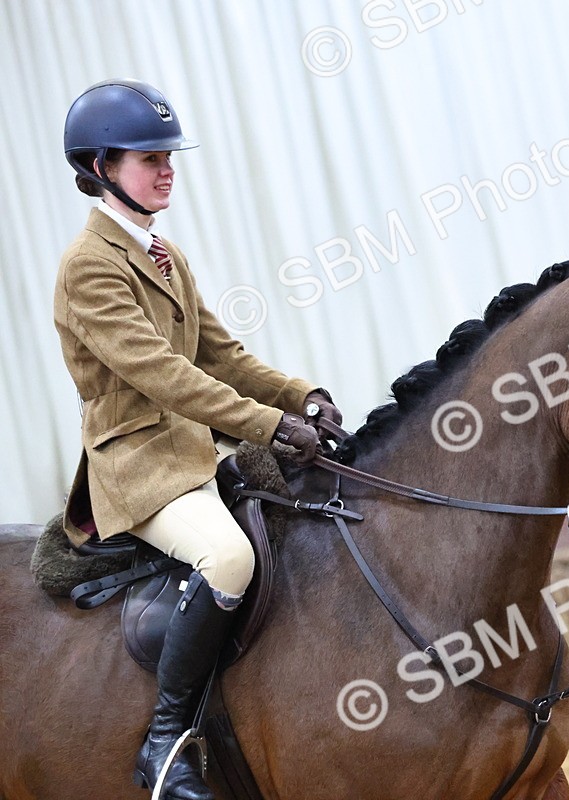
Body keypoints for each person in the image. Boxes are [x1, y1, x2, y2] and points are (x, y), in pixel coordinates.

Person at [55, 79, 340, 800]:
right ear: (99, 167)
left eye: (168, 156)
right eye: (148, 158)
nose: (166, 169)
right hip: (139, 465)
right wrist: (270, 426)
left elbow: (222, 356)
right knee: (229, 556)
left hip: (193, 455)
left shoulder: (163, 256)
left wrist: (299, 394)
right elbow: (165, 378)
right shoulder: (89, 268)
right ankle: (165, 744)